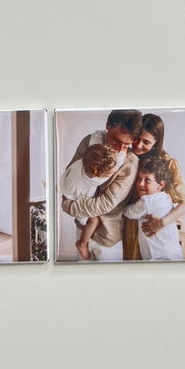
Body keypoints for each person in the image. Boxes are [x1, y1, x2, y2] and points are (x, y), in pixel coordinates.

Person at [61, 110, 142, 261]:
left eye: (127, 144)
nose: (120, 149)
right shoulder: (89, 143)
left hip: (107, 235)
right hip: (83, 225)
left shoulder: (129, 164)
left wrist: (69, 206)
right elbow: (71, 173)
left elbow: (106, 203)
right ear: (107, 126)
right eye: (116, 140)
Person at [123, 113, 185, 260]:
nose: (138, 145)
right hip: (130, 228)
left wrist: (162, 222)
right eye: (137, 139)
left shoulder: (169, 164)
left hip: (154, 231)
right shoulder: (126, 156)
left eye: (146, 142)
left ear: (156, 142)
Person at [59, 143, 121, 260]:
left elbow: (97, 143)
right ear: (99, 176)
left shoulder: (87, 160)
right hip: (73, 197)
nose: (115, 170)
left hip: (67, 183)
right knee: (93, 221)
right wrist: (122, 154)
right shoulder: (95, 180)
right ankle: (82, 243)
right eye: (112, 172)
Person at [124, 156, 183, 261]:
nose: (141, 184)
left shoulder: (147, 201)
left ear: (160, 185)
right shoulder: (167, 197)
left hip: (158, 258)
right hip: (174, 253)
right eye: (139, 178)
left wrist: (122, 205)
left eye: (147, 180)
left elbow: (129, 212)